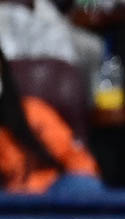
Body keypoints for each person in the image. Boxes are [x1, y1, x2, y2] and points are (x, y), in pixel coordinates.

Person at [0, 43, 102, 195]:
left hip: (48, 199)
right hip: (6, 204)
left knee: (84, 185)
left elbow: (79, 161)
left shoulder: (32, 113)